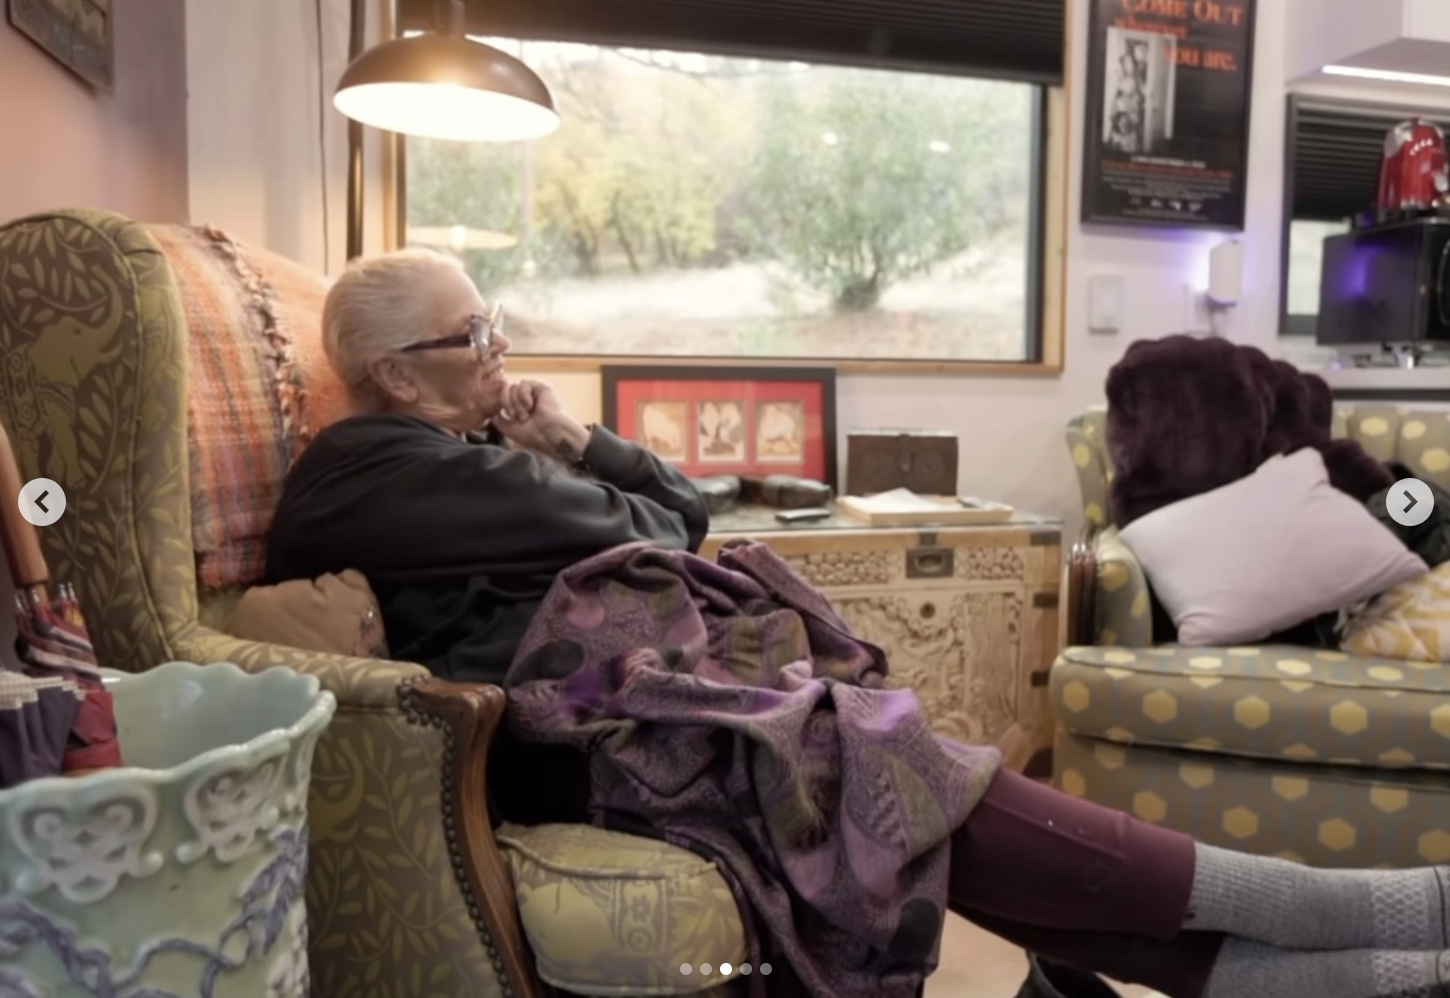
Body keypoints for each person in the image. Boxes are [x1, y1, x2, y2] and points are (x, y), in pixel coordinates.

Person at [266, 249, 1450, 998]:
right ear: (396, 372)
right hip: (579, 738)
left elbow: (671, 511)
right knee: (910, 785)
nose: (498, 348)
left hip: (626, 703)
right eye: (469, 335)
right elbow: (677, 528)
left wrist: (574, 443)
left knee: (923, 799)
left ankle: (1399, 952)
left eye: (491, 319)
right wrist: (575, 459)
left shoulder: (445, 453)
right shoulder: (376, 468)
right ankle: (1377, 915)